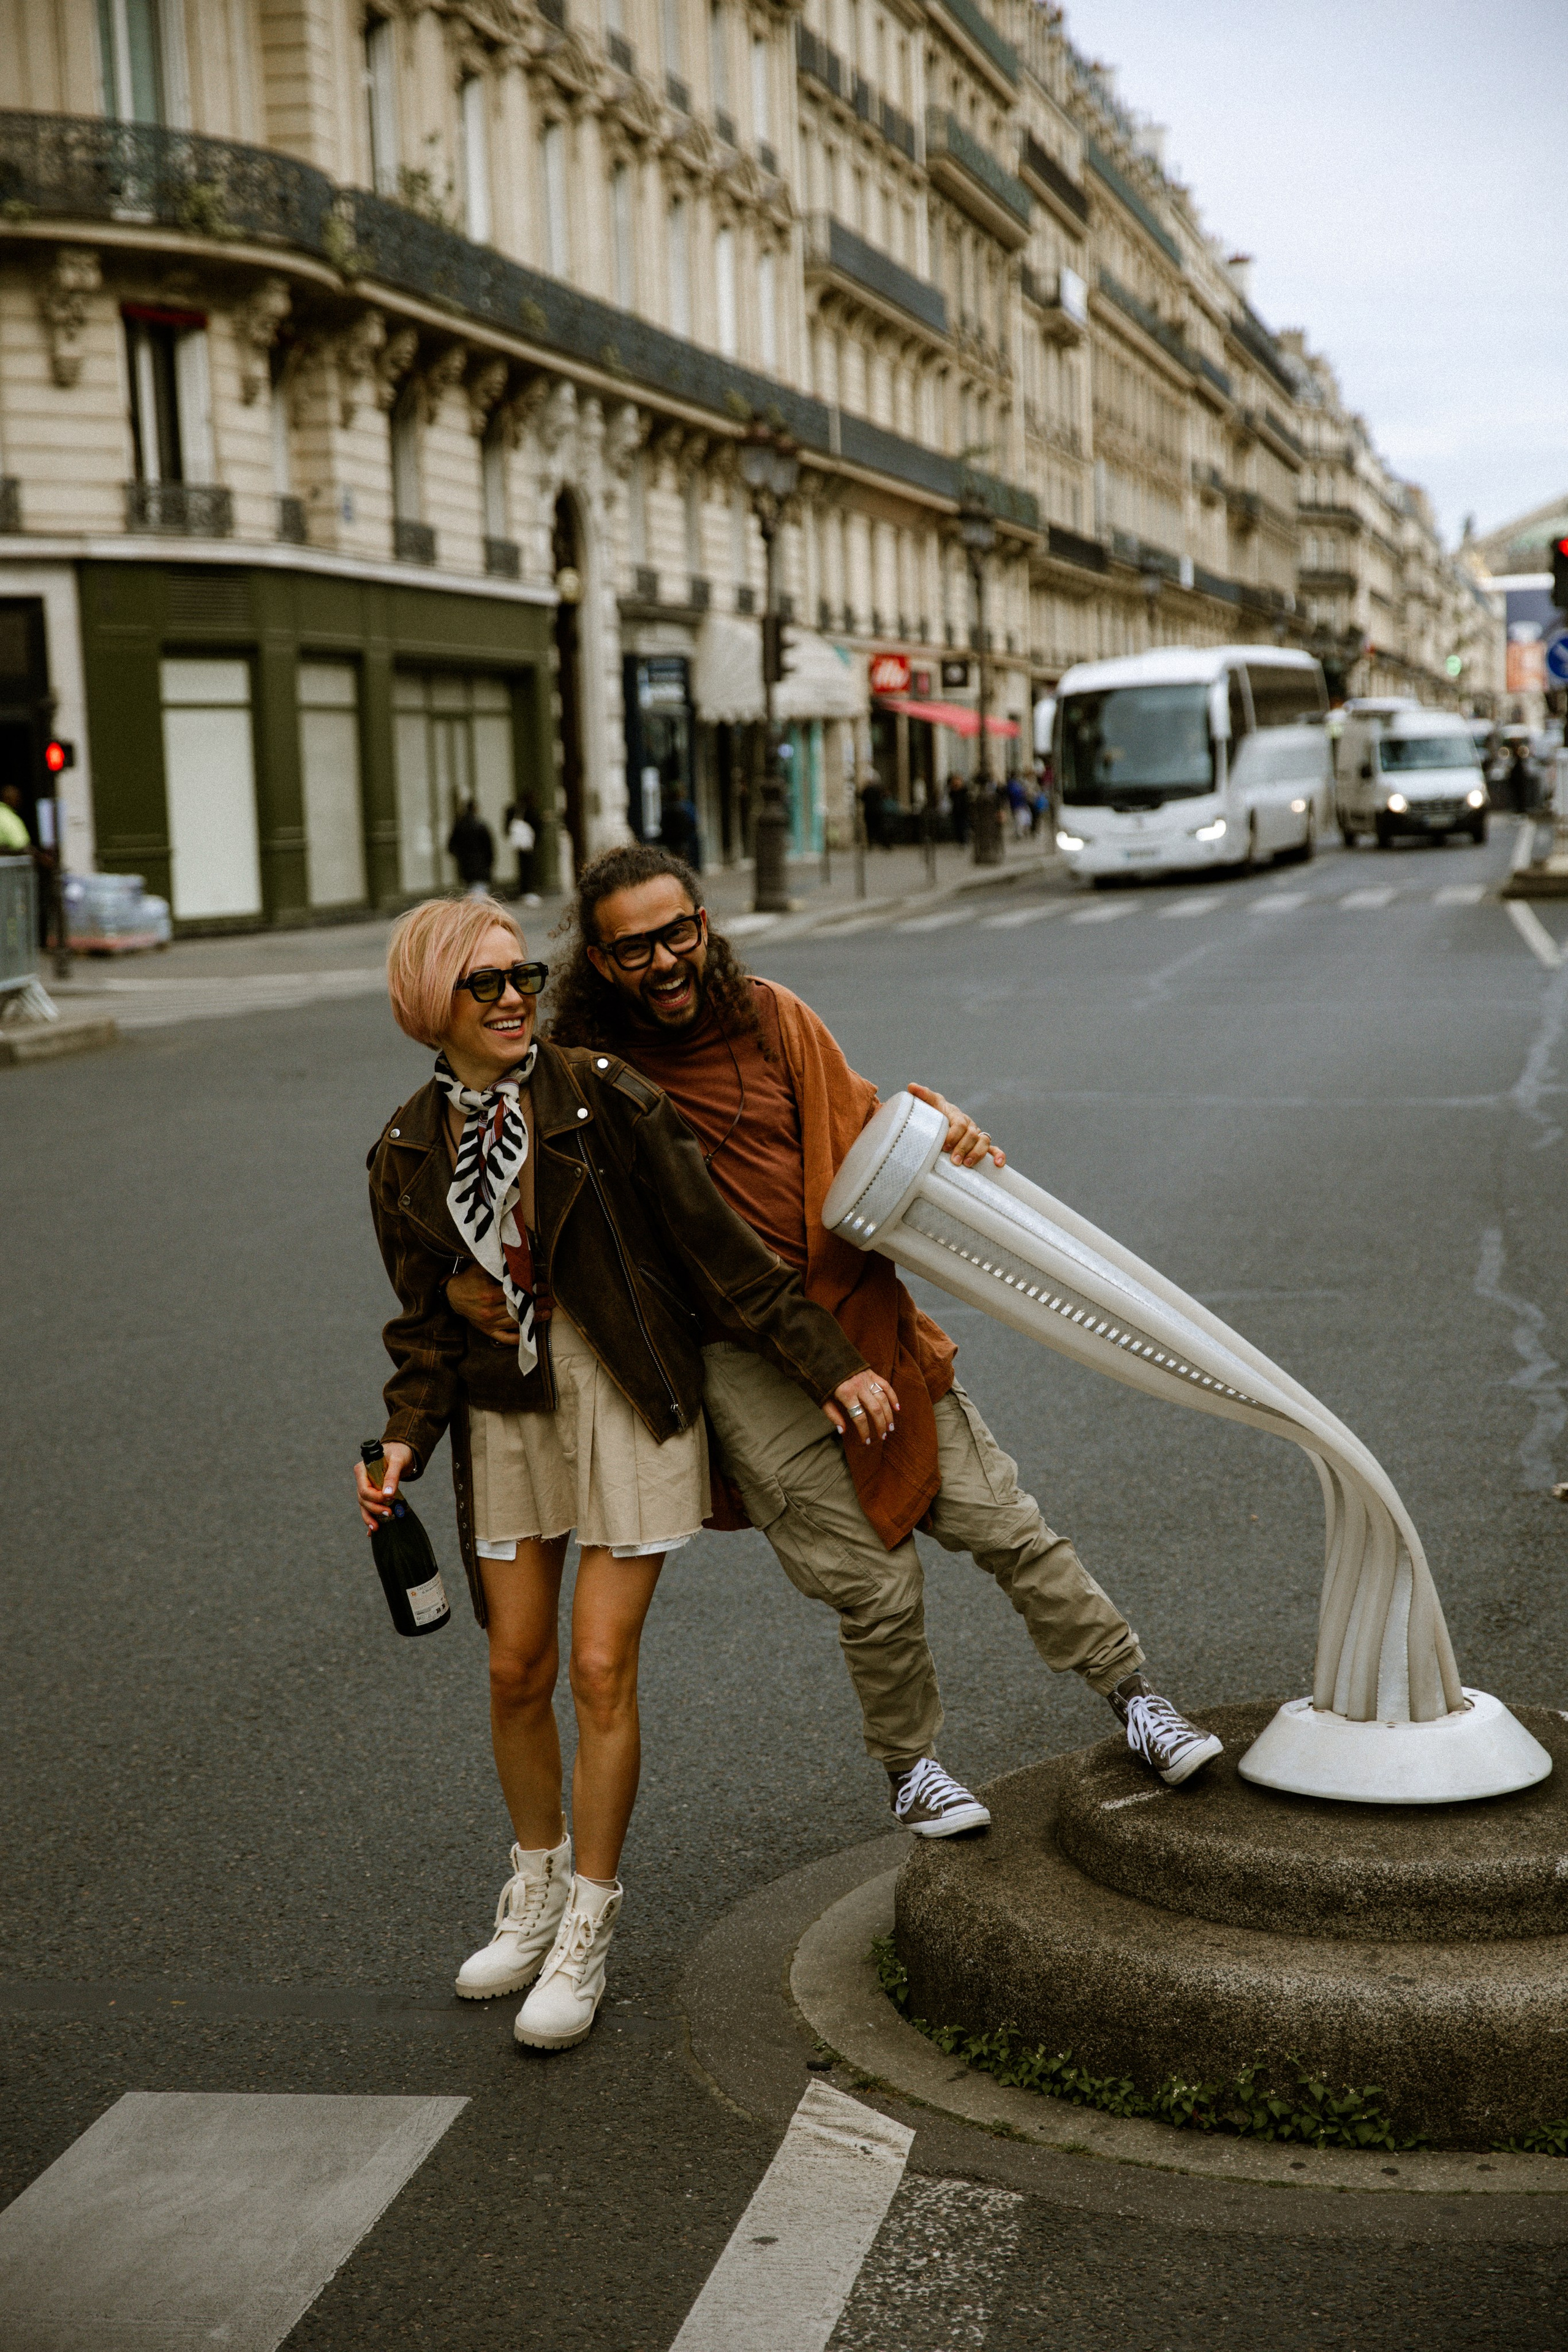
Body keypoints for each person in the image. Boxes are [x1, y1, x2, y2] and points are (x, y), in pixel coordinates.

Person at [447, 846, 1223, 1843]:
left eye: (678, 933)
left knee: (1006, 1527)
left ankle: (1134, 1697)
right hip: (742, 1366)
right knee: (874, 1585)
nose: (666, 961)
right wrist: (473, 1278)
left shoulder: (772, 1016)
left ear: (706, 923)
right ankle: (911, 1766)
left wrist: (939, 1127)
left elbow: (861, 1125)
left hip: (864, 1326)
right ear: (598, 964)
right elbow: (522, 1186)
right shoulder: (590, 1083)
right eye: (633, 948)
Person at [357, 895, 878, 2049]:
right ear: (427, 1007)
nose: (510, 1000)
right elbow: (422, 1333)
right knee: (513, 1667)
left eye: (521, 979)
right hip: (509, 1413)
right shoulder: (405, 1152)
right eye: (482, 985)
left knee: (597, 1666)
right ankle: (534, 1890)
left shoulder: (599, 1094)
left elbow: (716, 1245)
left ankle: (590, 1923)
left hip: (625, 1393)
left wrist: (831, 1364)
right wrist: (401, 1440)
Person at [447, 798, 494, 900]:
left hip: (466, 865)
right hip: (481, 865)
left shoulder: (459, 826)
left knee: (471, 891)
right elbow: (489, 848)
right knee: (479, 893)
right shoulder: (481, 826)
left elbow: (451, 847)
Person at [502, 794, 540, 905]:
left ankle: (525, 891)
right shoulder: (528, 811)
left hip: (522, 843)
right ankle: (527, 891)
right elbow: (536, 825)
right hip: (526, 843)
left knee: (524, 866)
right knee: (528, 867)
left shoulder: (514, 809)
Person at [946, 771, 969, 848]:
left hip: (964, 812)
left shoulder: (964, 790)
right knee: (957, 827)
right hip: (956, 812)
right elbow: (950, 799)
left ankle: (964, 841)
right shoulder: (953, 791)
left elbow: (966, 800)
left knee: (963, 826)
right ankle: (960, 841)